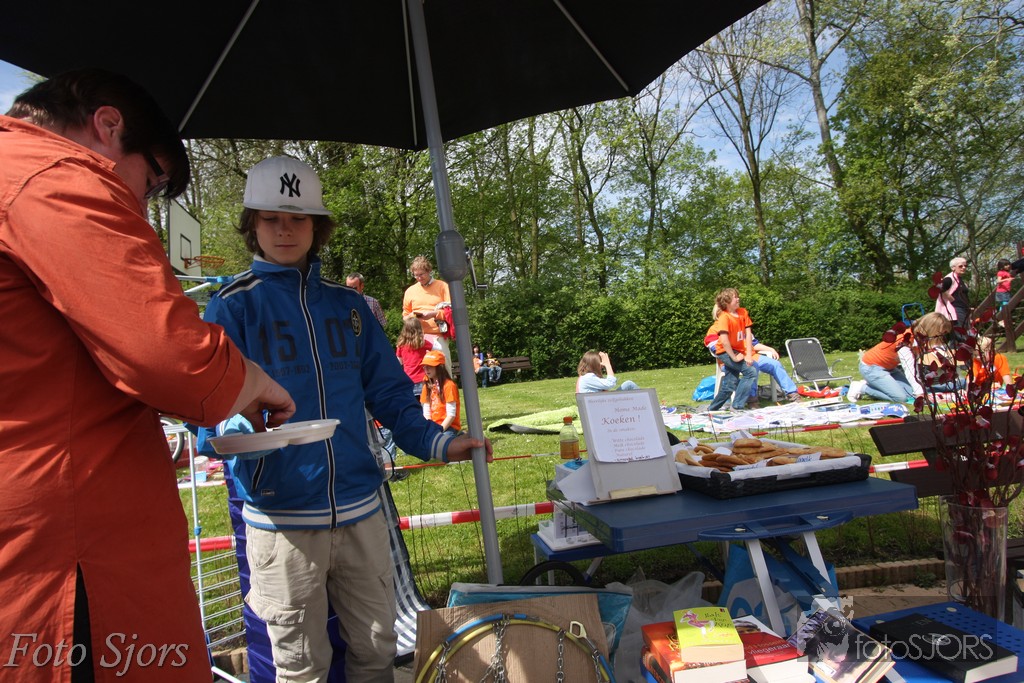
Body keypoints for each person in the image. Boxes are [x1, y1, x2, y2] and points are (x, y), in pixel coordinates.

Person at [0, 69, 295, 682]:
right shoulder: (56, 177)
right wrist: (252, 381)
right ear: (108, 125)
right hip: (71, 560)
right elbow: (172, 357)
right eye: (152, 181)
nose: (140, 205)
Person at [197, 156, 489, 682]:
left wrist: (441, 443)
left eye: (298, 219)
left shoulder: (349, 307)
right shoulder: (230, 308)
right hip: (280, 520)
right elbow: (209, 410)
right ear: (252, 226)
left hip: (361, 510)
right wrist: (237, 429)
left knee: (377, 652)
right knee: (301, 668)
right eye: (270, 219)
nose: (285, 230)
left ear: (318, 227)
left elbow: (390, 394)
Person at [704, 304, 801, 405]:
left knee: (775, 364)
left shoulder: (740, 325)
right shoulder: (714, 330)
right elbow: (716, 349)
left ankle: (792, 394)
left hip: (752, 356)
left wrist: (770, 349)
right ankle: (752, 399)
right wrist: (737, 355)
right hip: (730, 362)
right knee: (752, 366)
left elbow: (754, 344)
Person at [848, 312, 952, 403]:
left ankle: (877, 384)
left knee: (909, 393)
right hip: (871, 367)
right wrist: (920, 394)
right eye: (942, 333)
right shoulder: (904, 342)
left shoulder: (919, 339)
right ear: (932, 330)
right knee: (900, 398)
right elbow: (910, 369)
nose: (942, 337)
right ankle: (862, 387)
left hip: (890, 368)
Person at [707, 288, 758, 411]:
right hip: (725, 351)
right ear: (727, 302)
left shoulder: (743, 312)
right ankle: (737, 406)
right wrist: (734, 357)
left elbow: (748, 335)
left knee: (730, 384)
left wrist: (749, 355)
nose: (738, 299)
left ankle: (712, 409)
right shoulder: (724, 318)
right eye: (735, 297)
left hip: (736, 351)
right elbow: (724, 341)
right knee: (750, 372)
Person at [402, 255, 453, 373]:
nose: (419, 278)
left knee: (443, 370)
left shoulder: (442, 286)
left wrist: (433, 314)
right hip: (417, 337)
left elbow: (451, 311)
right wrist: (413, 317)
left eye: (422, 274)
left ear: (429, 271)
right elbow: (405, 315)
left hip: (438, 337)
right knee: (420, 373)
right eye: (416, 275)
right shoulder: (410, 291)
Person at [421, 349, 462, 431]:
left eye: (430, 366)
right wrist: (430, 429)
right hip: (433, 426)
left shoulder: (449, 385)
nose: (426, 369)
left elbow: (451, 415)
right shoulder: (426, 386)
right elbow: (426, 412)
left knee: (441, 439)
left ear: (439, 367)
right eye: (424, 366)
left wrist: (439, 430)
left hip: (449, 427)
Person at [396, 316, 435, 398]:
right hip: (423, 379)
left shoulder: (401, 345)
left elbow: (398, 362)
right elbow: (434, 353)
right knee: (426, 403)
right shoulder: (424, 343)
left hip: (409, 380)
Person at [935, 256, 970, 333]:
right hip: (955, 310)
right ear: (953, 268)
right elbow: (938, 286)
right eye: (960, 266)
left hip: (963, 309)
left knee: (963, 333)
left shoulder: (959, 279)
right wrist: (950, 298)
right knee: (960, 334)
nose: (964, 268)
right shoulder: (950, 278)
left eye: (965, 266)